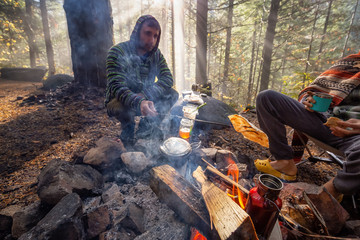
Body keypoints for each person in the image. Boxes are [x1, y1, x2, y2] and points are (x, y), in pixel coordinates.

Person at [255, 52, 360, 200]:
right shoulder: (353, 62)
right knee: (267, 98)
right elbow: (316, 89)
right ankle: (284, 161)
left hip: (354, 139)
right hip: (323, 119)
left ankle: (329, 194)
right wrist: (309, 100)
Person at [105, 15, 179, 146]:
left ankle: (146, 129)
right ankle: (127, 133)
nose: (152, 40)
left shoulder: (156, 55)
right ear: (137, 32)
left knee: (172, 94)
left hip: (146, 98)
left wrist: (145, 95)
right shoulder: (117, 52)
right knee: (122, 107)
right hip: (120, 100)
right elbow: (117, 87)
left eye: (155, 36)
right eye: (148, 33)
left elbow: (167, 78)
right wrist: (139, 101)